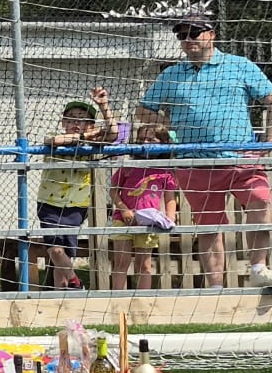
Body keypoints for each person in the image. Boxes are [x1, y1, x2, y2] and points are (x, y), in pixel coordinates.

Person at [141, 12, 272, 288]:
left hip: (240, 158)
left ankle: (258, 268)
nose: (187, 39)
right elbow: (144, 111)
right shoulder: (171, 75)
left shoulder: (239, 66)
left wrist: (267, 145)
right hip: (193, 161)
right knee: (210, 226)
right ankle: (215, 286)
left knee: (259, 202)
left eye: (193, 33)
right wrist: (170, 125)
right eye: (181, 35)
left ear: (211, 34)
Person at [36, 89, 116, 289]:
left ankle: (62, 296)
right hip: (49, 203)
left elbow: (114, 133)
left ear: (90, 125)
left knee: (63, 256)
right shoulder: (56, 138)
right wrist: (85, 134)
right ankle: (75, 281)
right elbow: (53, 141)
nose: (75, 123)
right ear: (63, 122)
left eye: (81, 120)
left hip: (76, 206)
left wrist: (104, 106)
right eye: (71, 119)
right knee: (55, 251)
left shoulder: (91, 143)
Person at [109, 106, 181, 291]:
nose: (145, 143)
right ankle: (117, 299)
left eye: (151, 139)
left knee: (145, 265)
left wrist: (170, 217)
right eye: (141, 140)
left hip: (148, 222)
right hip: (122, 220)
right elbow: (113, 191)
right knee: (121, 262)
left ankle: (144, 300)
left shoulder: (165, 171)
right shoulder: (129, 165)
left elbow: (170, 197)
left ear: (164, 143)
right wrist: (123, 209)